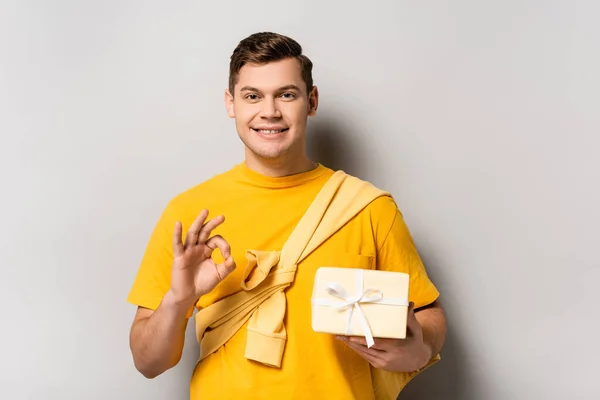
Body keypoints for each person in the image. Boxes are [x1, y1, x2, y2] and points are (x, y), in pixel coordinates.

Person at [126, 31, 447, 400]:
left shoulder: (368, 207)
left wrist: (419, 349)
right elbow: (147, 363)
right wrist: (178, 299)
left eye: (286, 94)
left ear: (311, 101)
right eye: (252, 96)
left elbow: (428, 313)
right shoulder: (190, 213)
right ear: (231, 103)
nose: (270, 112)